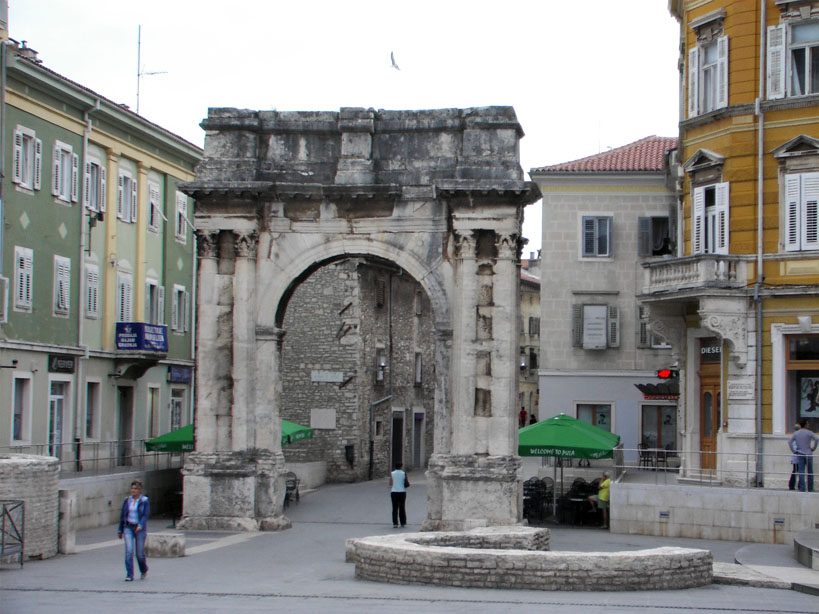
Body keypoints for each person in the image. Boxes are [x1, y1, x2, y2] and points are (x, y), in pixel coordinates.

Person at [117, 479, 150, 581]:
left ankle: (143, 569)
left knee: (139, 554)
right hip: (128, 527)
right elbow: (123, 515)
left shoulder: (144, 501)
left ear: (139, 490)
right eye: (132, 488)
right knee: (129, 551)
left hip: (139, 528)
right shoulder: (127, 500)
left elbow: (145, 514)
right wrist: (120, 529)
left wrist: (141, 524)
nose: (133, 490)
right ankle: (129, 574)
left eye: (135, 489)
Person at [787, 418, 819, 492]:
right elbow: (817, 439)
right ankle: (810, 488)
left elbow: (789, 441)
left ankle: (802, 488)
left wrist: (794, 451)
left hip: (800, 453)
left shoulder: (796, 433)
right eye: (807, 423)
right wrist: (813, 448)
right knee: (810, 471)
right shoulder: (809, 432)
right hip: (808, 453)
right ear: (805, 424)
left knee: (801, 471)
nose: (809, 424)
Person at [389, 462, 409, 528]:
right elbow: (406, 482)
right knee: (402, 507)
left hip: (394, 492)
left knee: (394, 508)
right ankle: (403, 522)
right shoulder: (404, 473)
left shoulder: (392, 473)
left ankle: (395, 523)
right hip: (402, 492)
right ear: (401, 466)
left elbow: (390, 483)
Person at [789, 422, 801, 491]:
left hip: (795, 455)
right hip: (797, 455)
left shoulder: (794, 435)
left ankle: (792, 485)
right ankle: (797, 485)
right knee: (799, 471)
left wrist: (793, 451)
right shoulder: (797, 436)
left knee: (795, 471)